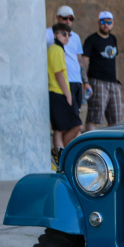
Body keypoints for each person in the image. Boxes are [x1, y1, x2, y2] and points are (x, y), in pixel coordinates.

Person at [45, 5, 89, 119]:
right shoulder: (48, 33)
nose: (68, 21)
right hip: (62, 82)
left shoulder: (76, 37)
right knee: (70, 121)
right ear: (58, 17)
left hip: (76, 81)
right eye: (65, 18)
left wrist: (85, 81)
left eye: (71, 19)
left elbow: (79, 60)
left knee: (75, 117)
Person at [48, 24, 82, 167]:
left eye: (68, 34)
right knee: (75, 126)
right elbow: (58, 73)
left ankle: (60, 155)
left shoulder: (57, 49)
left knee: (61, 129)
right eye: (63, 34)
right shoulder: (56, 49)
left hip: (58, 93)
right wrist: (68, 94)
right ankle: (61, 156)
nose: (66, 37)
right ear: (55, 35)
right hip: (58, 93)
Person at [83, 11, 122, 131]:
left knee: (116, 118)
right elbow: (84, 61)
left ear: (112, 23)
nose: (106, 25)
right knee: (94, 117)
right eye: (103, 22)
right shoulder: (91, 40)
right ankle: (91, 146)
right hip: (97, 82)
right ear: (98, 23)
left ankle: (112, 147)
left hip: (113, 83)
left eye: (109, 22)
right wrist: (85, 81)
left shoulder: (113, 39)